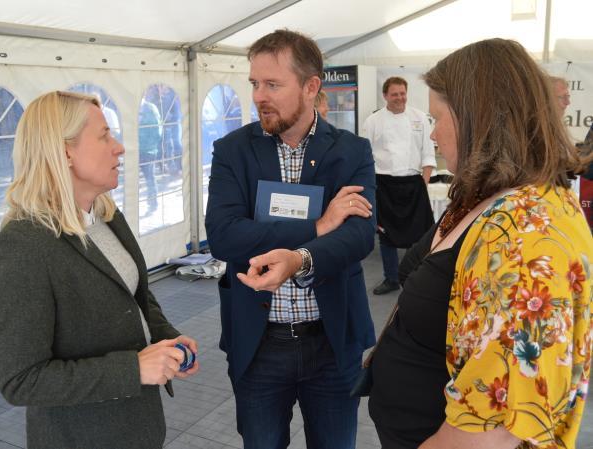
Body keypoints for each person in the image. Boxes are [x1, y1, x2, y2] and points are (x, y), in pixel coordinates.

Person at [367, 38, 593, 449]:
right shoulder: (490, 196)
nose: (433, 134)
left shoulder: (530, 236)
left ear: (480, 118)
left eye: (439, 118)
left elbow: (496, 429)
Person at [0, 91, 199, 449]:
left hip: (139, 427)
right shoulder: (25, 244)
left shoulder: (106, 215)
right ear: (65, 150)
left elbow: (135, 297)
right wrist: (133, 369)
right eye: (104, 136)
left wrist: (164, 338)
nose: (119, 148)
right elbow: (20, 380)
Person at [205, 29, 377, 449]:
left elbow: (357, 237)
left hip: (332, 343)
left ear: (311, 86)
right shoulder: (233, 150)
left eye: (273, 84)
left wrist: (299, 259)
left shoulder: (351, 151)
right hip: (259, 343)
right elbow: (224, 236)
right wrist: (317, 228)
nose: (259, 95)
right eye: (254, 84)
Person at [362, 77, 436, 295]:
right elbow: (366, 157)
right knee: (387, 236)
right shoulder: (373, 121)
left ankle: (420, 278)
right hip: (384, 184)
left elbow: (427, 152)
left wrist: (424, 181)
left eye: (402, 93)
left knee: (421, 235)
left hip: (414, 183)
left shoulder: (420, 117)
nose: (400, 98)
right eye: (395, 94)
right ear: (385, 96)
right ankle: (391, 279)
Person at [138, 99, 162, 216]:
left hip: (148, 150)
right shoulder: (131, 106)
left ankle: (153, 203)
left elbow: (158, 130)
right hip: (134, 150)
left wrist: (150, 145)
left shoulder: (150, 108)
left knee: (149, 177)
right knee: (130, 179)